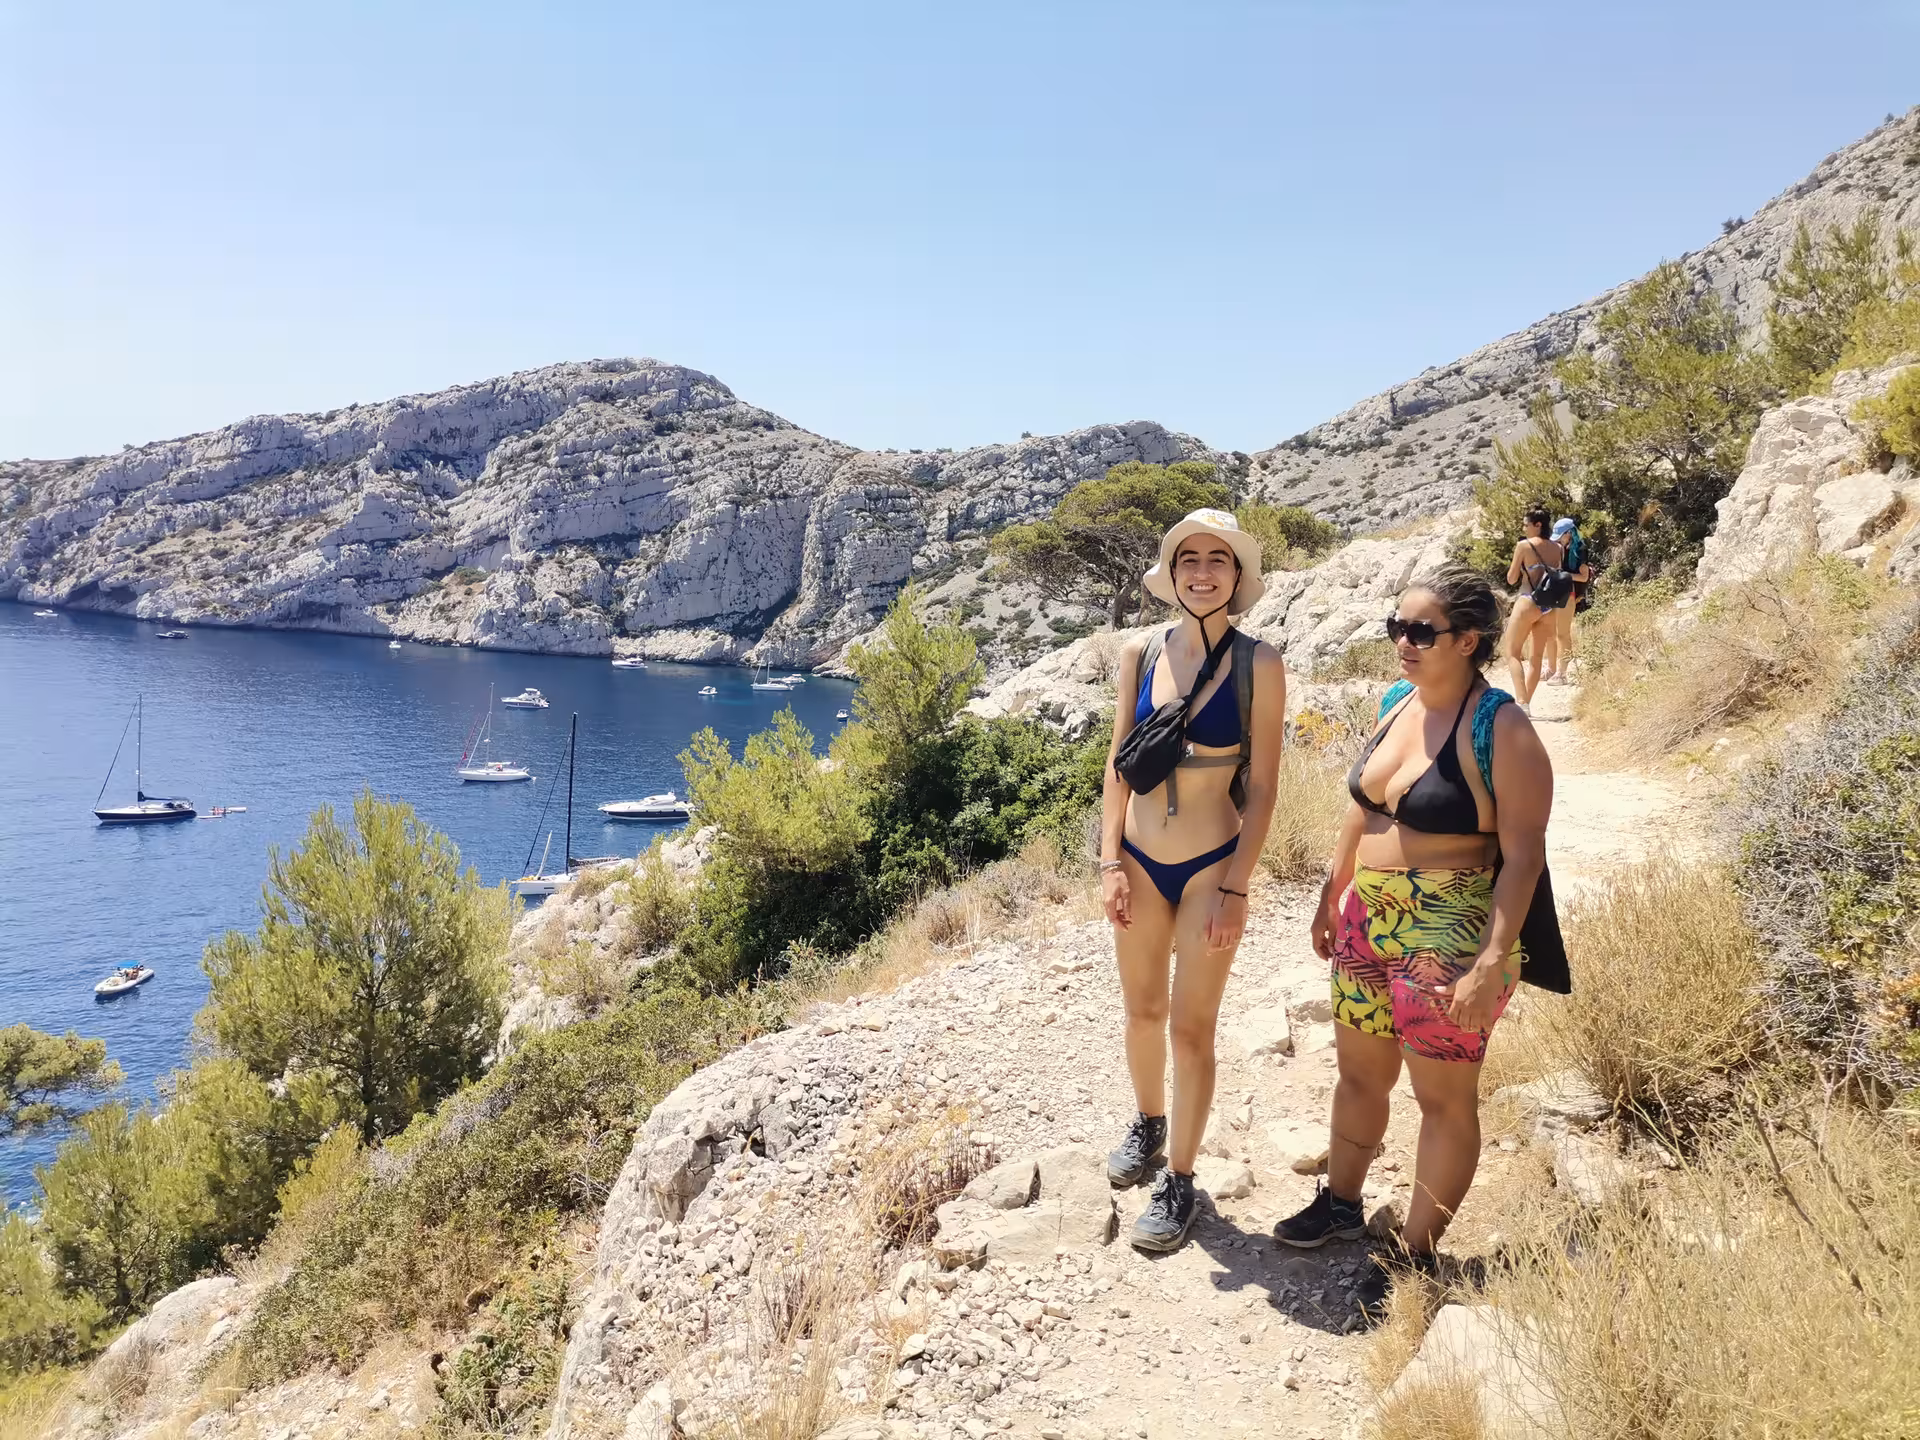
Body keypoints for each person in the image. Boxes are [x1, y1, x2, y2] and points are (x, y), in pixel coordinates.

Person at [1272, 564, 1554, 1322]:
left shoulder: (1503, 727)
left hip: (1449, 929)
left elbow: (1524, 854)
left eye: (1420, 632)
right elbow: (1361, 810)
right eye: (1396, 627)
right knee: (1359, 1075)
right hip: (1369, 916)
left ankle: (1413, 1254)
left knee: (1442, 1099)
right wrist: (1334, 892)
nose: (1403, 642)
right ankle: (1340, 1203)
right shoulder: (1396, 703)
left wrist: (1491, 959)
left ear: (1467, 640)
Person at [1099, 509, 1287, 1253]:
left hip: (1211, 864)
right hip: (1139, 861)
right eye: (1188, 560)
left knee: (1191, 1028)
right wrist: (1109, 863)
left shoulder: (1259, 664)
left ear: (1237, 577)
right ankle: (1147, 1124)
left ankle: (1180, 1176)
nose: (1202, 571)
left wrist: (1238, 886)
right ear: (1170, 574)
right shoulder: (1139, 654)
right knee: (1142, 1012)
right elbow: (1116, 767)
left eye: (1218, 559)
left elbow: (1266, 787)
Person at [1501, 510, 1567, 708]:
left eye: (1525, 524)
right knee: (1537, 657)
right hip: (1549, 606)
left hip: (1528, 600)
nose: (1523, 528)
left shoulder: (1524, 545)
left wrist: (1523, 570)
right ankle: (1526, 703)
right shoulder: (1558, 548)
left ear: (1537, 525)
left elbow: (1511, 579)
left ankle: (1521, 702)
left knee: (1512, 653)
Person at [1540, 517, 1592, 684]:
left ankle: (1562, 674)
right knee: (1550, 632)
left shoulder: (1580, 550)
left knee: (1563, 634)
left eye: (1561, 536)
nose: (1558, 539)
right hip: (1557, 592)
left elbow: (1584, 578)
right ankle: (1551, 669)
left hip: (1568, 594)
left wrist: (1563, 575)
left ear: (1569, 533)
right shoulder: (1561, 548)